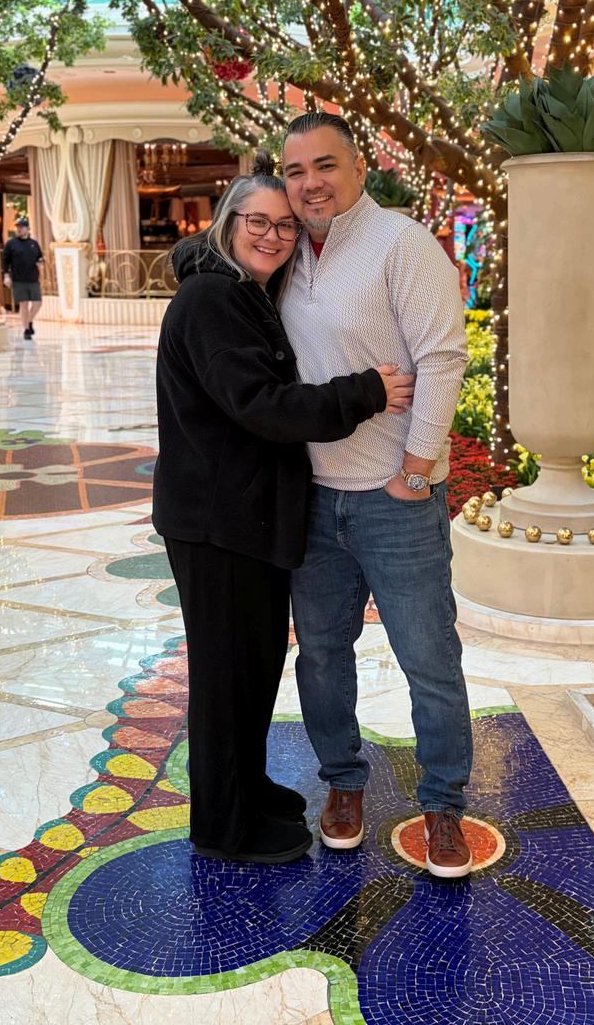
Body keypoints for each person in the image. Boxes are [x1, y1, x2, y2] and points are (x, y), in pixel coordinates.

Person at [152, 151, 415, 865]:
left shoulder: (243, 294)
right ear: (228, 223)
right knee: (227, 674)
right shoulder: (211, 300)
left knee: (254, 663)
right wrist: (364, 392)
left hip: (244, 516)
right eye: (257, 221)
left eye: (285, 225)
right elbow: (262, 405)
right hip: (217, 523)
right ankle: (223, 825)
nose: (272, 235)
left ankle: (245, 787)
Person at [280, 113, 474, 879]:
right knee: (322, 656)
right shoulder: (284, 253)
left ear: (359, 169)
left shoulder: (401, 242)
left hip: (396, 499)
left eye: (324, 165)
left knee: (428, 657)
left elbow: (442, 357)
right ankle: (342, 782)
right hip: (313, 500)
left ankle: (443, 802)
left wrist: (415, 470)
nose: (309, 183)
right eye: (294, 171)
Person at [1, 218, 44, 340]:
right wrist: (6, 276)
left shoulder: (34, 244)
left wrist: (41, 261)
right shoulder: (11, 244)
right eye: (18, 227)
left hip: (33, 278)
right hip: (18, 279)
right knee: (24, 304)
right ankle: (26, 330)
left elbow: (40, 257)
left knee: (38, 303)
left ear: (28, 229)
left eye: (21, 227)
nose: (19, 229)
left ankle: (29, 321)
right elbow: (5, 261)